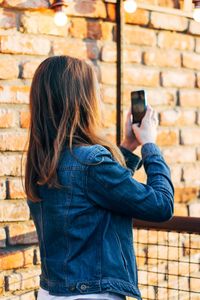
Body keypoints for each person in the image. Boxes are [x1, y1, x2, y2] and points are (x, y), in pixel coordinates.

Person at [25, 55, 174, 300]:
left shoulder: (42, 161)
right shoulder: (90, 161)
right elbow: (161, 205)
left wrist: (127, 145)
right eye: (96, 90)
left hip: (51, 292)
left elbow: (99, 189)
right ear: (82, 100)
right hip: (92, 294)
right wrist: (150, 145)